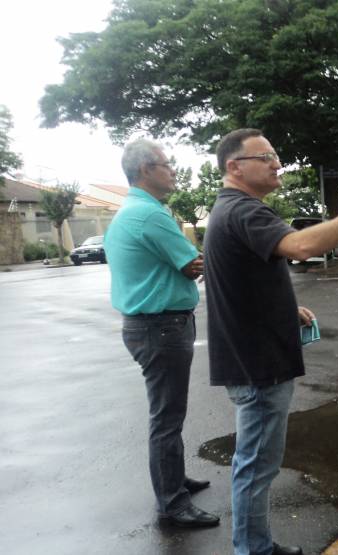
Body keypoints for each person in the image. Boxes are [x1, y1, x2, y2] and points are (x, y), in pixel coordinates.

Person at [205, 128, 338, 555]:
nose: (276, 163)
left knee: (257, 463)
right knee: (256, 466)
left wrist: (288, 308)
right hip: (260, 366)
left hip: (253, 358)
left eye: (276, 156)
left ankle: (256, 543)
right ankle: (253, 549)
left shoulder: (235, 211)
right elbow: (301, 246)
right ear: (235, 167)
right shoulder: (244, 210)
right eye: (265, 157)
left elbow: (248, 281)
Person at [104, 138, 216, 529]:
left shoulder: (132, 212)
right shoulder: (149, 216)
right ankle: (171, 501)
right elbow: (192, 264)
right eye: (166, 164)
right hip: (161, 326)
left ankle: (174, 479)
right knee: (167, 418)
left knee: (169, 413)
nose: (172, 170)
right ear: (145, 170)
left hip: (149, 326)